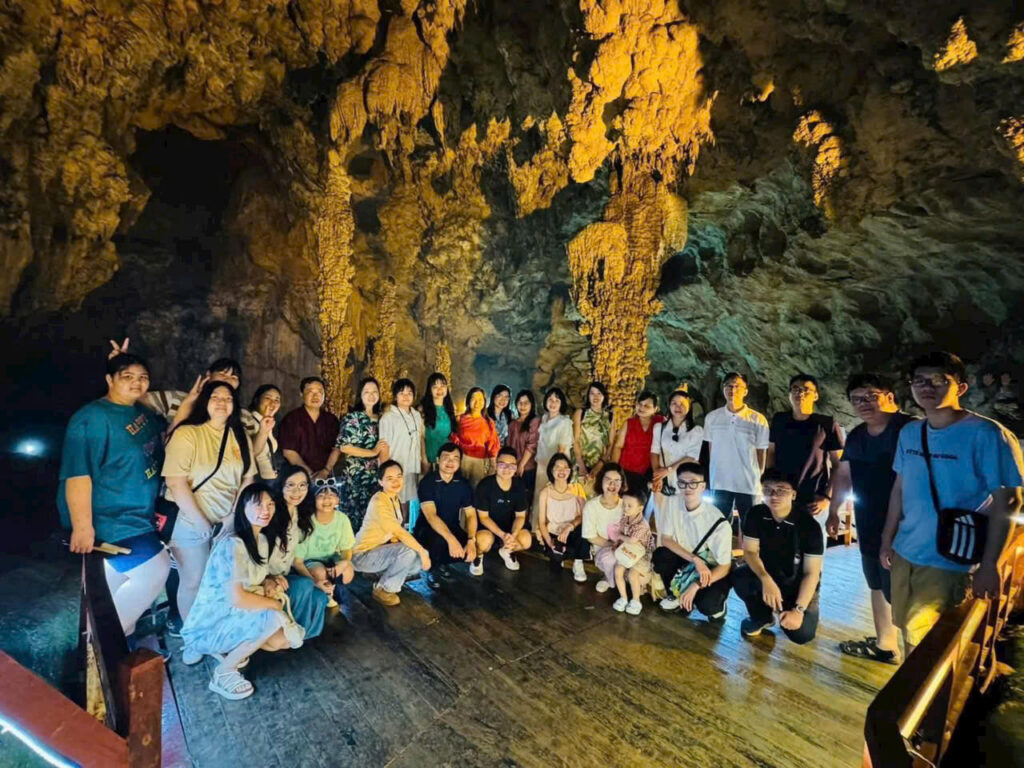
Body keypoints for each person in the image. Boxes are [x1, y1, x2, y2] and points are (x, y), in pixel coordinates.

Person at [880, 352, 1024, 655]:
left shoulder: (987, 434)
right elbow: (899, 488)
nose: (927, 387)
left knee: (930, 644)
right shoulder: (910, 433)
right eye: (919, 381)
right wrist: (887, 539)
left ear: (961, 387)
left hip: (950, 557)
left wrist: (990, 564)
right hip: (906, 550)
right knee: (907, 629)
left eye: (938, 380)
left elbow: (1009, 501)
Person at [59, 353, 169, 637]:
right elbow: (78, 475)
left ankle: (116, 642)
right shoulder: (90, 419)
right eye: (127, 376)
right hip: (110, 519)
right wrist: (82, 527)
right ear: (109, 380)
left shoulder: (140, 412)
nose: (137, 383)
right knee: (155, 569)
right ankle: (103, 641)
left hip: (139, 514)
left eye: (143, 377)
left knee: (115, 588)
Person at [826, 374, 916, 664]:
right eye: (856, 399)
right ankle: (885, 644)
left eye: (870, 396)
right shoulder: (857, 435)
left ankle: (917, 666)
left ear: (889, 397)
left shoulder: (910, 430)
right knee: (876, 583)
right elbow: (844, 474)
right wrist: (834, 510)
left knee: (903, 594)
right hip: (869, 522)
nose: (863, 403)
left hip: (907, 526)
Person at [180, 484, 299, 700]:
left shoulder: (262, 540)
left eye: (270, 504)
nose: (266, 510)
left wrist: (269, 580)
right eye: (258, 504)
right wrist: (274, 605)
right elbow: (238, 598)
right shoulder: (232, 545)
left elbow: (253, 577)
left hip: (234, 616)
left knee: (281, 641)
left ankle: (230, 648)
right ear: (242, 508)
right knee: (273, 616)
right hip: (210, 625)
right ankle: (223, 672)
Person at [162, 380, 255, 628]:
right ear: (205, 401)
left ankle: (213, 630)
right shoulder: (187, 434)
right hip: (188, 520)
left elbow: (247, 479)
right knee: (193, 580)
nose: (222, 402)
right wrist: (201, 522)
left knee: (220, 580)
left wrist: (233, 516)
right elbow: (175, 482)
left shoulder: (240, 436)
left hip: (226, 522)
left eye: (228, 398)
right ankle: (192, 636)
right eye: (215, 397)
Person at [732, 470, 823, 644]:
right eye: (767, 490)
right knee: (740, 576)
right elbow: (750, 552)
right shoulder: (756, 514)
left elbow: (811, 573)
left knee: (802, 634)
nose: (773, 495)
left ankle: (795, 607)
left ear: (793, 494)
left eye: (781, 490)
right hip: (767, 576)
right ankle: (761, 617)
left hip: (795, 583)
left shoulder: (809, 526)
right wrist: (766, 580)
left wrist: (798, 610)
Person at [654, 462, 732, 622]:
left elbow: (724, 567)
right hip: (690, 560)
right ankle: (676, 594)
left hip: (711, 568)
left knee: (707, 606)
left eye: (693, 483)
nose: (687, 488)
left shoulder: (718, 522)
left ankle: (718, 604)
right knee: (661, 555)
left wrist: (696, 585)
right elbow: (666, 539)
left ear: (703, 486)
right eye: (682, 483)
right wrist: (695, 560)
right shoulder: (673, 502)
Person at [352, 461, 431, 606]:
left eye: (399, 476)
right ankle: (384, 589)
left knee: (416, 563)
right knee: (409, 552)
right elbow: (399, 532)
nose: (396, 482)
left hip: (379, 550)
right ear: (380, 481)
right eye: (390, 478)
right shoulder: (379, 501)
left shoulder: (394, 497)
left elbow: (394, 534)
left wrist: (419, 553)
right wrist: (422, 551)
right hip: (362, 555)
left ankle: (380, 575)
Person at [767, 374, 845, 517]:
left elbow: (838, 464)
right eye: (795, 389)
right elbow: (771, 452)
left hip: (812, 499)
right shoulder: (779, 420)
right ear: (789, 394)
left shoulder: (827, 424)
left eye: (806, 389)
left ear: (815, 396)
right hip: (781, 495)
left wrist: (827, 497)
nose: (800, 393)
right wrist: (768, 485)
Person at [266, 466, 329, 639]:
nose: (297, 491)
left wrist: (316, 583)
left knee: (319, 597)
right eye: (290, 485)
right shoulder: (271, 513)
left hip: (285, 575)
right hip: (266, 579)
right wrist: (268, 577)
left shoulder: (301, 514)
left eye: (302, 485)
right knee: (303, 585)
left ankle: (301, 637)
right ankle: (288, 636)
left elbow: (296, 559)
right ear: (281, 486)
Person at [703, 372, 769, 524]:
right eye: (728, 386)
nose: (732, 390)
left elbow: (761, 453)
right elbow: (711, 450)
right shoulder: (712, 418)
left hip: (748, 483)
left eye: (737, 386)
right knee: (718, 525)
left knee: (751, 525)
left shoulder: (758, 419)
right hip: (720, 481)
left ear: (745, 391)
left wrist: (759, 478)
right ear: (723, 389)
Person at [326, 377, 388, 532]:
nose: (371, 395)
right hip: (356, 478)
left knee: (373, 522)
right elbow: (344, 446)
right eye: (366, 392)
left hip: (376, 478)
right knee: (353, 523)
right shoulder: (352, 418)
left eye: (374, 392)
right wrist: (372, 452)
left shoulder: (382, 419)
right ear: (360, 395)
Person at [414, 443, 479, 586]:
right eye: (446, 457)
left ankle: (443, 561)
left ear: (460, 462)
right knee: (439, 540)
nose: (450, 462)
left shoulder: (463, 484)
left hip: (452, 526)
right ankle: (433, 568)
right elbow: (431, 516)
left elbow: (471, 515)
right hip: (427, 529)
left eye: (455, 458)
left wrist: (471, 540)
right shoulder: (428, 482)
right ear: (438, 460)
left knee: (476, 544)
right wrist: (451, 540)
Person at [650, 389, 704, 543]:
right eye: (674, 403)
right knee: (662, 519)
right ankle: (661, 551)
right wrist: (657, 476)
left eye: (682, 404)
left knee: (681, 520)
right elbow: (654, 451)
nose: (678, 407)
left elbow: (692, 456)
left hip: (684, 479)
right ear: (669, 405)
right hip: (663, 481)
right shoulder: (659, 428)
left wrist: (668, 470)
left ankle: (681, 552)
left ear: (689, 406)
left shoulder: (696, 431)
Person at [292, 481, 356, 609]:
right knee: (319, 572)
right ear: (313, 500)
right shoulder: (305, 521)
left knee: (348, 570)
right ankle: (324, 594)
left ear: (337, 499)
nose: (327, 499)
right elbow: (297, 561)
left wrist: (343, 564)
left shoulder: (342, 519)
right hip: (309, 561)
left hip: (331, 558)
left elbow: (346, 549)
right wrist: (314, 581)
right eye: (321, 495)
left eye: (332, 495)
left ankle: (333, 588)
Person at [474, 446, 533, 573]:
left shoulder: (519, 485)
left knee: (526, 540)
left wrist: (513, 535)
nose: (507, 469)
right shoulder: (485, 485)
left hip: (510, 528)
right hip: (490, 528)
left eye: (511, 466)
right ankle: (478, 557)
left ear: (516, 468)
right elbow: (483, 517)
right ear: (496, 465)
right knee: (483, 541)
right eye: (502, 464)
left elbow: (520, 516)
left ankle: (507, 551)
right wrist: (502, 535)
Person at [378, 378, 427, 521]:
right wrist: (386, 472)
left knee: (407, 502)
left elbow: (420, 439)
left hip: (412, 467)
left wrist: (424, 461)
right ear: (395, 396)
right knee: (394, 502)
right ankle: (395, 530)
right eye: (401, 393)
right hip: (396, 466)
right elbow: (384, 446)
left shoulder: (416, 415)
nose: (406, 396)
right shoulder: (388, 417)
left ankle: (405, 528)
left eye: (409, 393)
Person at [538, 453, 588, 582]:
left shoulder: (576, 489)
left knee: (584, 529)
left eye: (565, 467)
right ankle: (559, 556)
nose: (562, 471)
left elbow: (584, 516)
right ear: (551, 470)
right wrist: (549, 542)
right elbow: (542, 522)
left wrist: (570, 526)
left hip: (572, 531)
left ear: (570, 471)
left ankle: (578, 562)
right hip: (555, 534)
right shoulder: (545, 492)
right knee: (555, 569)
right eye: (558, 467)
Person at [278, 377, 340, 479]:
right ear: (301, 394)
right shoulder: (291, 419)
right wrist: (309, 474)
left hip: (326, 476)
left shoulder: (331, 420)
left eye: (320, 392)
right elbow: (288, 451)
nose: (316, 396)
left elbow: (337, 448)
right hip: (297, 475)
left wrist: (326, 471)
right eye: (310, 391)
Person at [533, 387, 574, 533]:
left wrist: (556, 469)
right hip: (541, 465)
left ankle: (552, 531)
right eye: (550, 399)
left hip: (555, 468)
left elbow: (562, 449)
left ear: (561, 403)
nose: (553, 403)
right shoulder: (544, 418)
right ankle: (538, 530)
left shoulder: (564, 422)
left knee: (553, 498)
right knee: (540, 496)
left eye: (557, 400)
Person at [611, 390, 665, 497]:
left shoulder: (660, 423)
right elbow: (618, 446)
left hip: (645, 474)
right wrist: (614, 469)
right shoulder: (629, 423)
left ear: (655, 409)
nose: (642, 408)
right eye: (639, 404)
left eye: (647, 406)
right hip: (624, 471)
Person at [582, 463, 626, 593]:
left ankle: (622, 579)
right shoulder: (591, 506)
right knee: (610, 559)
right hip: (604, 551)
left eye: (617, 481)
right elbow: (590, 536)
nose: (612, 484)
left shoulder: (626, 505)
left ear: (622, 483)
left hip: (625, 548)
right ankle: (610, 579)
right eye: (608, 480)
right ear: (601, 480)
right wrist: (612, 545)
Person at [611, 489, 655, 615]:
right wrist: (617, 542)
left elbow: (632, 540)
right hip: (628, 550)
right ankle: (623, 598)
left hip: (642, 554)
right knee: (618, 570)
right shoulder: (624, 518)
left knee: (632, 574)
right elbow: (623, 534)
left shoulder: (642, 524)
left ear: (640, 508)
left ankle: (636, 600)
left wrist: (619, 536)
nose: (625, 508)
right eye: (624, 504)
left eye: (630, 506)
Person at [454, 387, 500, 487]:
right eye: (473, 399)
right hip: (462, 460)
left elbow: (492, 444)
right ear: (468, 401)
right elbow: (454, 438)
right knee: (460, 488)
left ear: (484, 402)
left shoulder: (488, 422)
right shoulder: (459, 419)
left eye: (480, 399)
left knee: (477, 489)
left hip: (480, 462)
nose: (477, 402)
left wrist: (493, 466)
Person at [572, 382, 613, 493]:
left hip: (600, 466)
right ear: (588, 396)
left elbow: (610, 444)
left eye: (599, 393)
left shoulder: (610, 417)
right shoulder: (581, 413)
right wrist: (581, 465)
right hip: (580, 464)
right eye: (592, 393)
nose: (595, 397)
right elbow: (575, 440)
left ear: (604, 396)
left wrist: (600, 465)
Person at [242, 384, 282, 481]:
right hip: (257, 479)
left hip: (272, 479)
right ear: (257, 400)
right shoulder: (247, 418)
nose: (272, 403)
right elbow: (251, 453)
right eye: (268, 398)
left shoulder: (270, 422)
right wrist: (264, 430)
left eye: (277, 400)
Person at [507, 390, 540, 506]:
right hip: (512, 468)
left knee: (526, 500)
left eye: (526, 403)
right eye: (520, 403)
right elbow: (509, 445)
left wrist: (521, 465)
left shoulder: (534, 421)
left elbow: (532, 445)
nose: (523, 406)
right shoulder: (512, 424)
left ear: (532, 404)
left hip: (528, 468)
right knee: (512, 499)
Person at [420, 372, 457, 465]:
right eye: (435, 387)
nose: (439, 389)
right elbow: (421, 437)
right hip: (430, 457)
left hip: (446, 457)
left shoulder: (451, 409)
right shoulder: (423, 409)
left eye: (443, 386)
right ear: (429, 390)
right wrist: (424, 458)